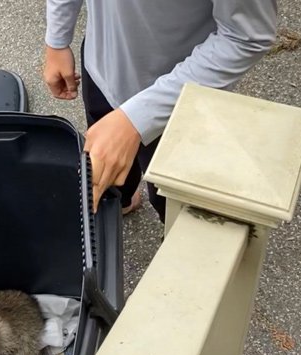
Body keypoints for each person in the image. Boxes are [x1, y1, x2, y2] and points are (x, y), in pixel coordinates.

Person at [43, 1, 277, 222]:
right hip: (102, 61)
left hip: (174, 96)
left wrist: (137, 118)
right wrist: (57, 39)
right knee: (110, 163)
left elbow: (246, 37)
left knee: (173, 202)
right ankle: (121, 201)